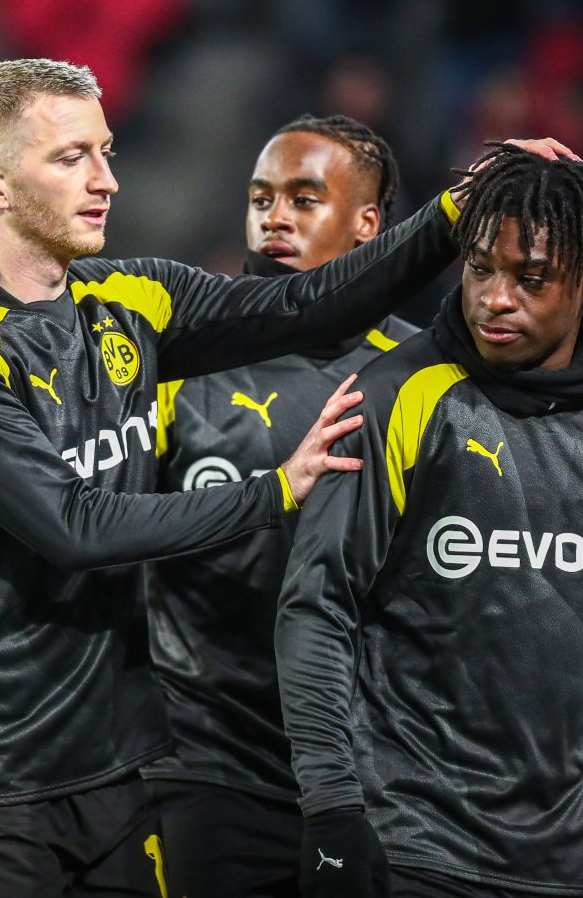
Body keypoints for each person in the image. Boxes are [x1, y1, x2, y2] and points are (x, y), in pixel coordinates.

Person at [0, 58, 574, 897]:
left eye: (106, 152)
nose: (105, 180)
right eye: (70, 158)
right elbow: (72, 526)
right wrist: (273, 491)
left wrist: (456, 211)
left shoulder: (130, 299)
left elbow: (304, 305)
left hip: (119, 766)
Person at [275, 144, 583, 897]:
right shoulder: (395, 398)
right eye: (479, 269)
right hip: (409, 845)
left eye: (530, 278)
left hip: (566, 862)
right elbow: (316, 607)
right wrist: (332, 806)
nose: (494, 299)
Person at [144, 114, 415, 897]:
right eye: (261, 198)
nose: (275, 218)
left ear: (367, 224)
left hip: (374, 768)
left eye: (304, 198)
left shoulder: (421, 377)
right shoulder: (177, 363)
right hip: (206, 760)